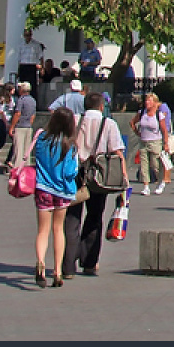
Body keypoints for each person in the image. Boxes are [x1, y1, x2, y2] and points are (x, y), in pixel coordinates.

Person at [64, 92, 125, 279]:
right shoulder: (109, 124)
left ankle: (68, 264)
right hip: (98, 175)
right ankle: (89, 261)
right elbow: (116, 151)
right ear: (101, 106)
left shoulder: (75, 120)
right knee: (95, 216)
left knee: (72, 218)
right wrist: (123, 177)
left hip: (75, 173)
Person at [30, 108, 79, 287]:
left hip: (43, 187)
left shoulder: (41, 138)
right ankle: (57, 271)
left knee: (43, 230)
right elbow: (70, 171)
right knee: (59, 229)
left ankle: (40, 262)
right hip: (63, 191)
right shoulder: (70, 144)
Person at [131, 91, 172, 196]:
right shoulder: (142, 112)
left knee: (155, 164)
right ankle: (146, 186)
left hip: (155, 141)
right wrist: (138, 133)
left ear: (155, 102)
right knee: (144, 165)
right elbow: (132, 123)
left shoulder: (159, 115)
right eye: (146, 100)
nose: (147, 102)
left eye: (149, 100)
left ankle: (161, 182)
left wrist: (165, 143)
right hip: (144, 141)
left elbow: (164, 130)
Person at [17, 30, 44, 96]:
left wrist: (42, 68)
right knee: (22, 85)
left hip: (32, 66)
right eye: (26, 35)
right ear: (24, 36)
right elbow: (19, 59)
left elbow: (41, 57)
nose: (27, 37)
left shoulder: (36, 45)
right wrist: (18, 70)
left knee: (32, 86)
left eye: (29, 35)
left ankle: (32, 100)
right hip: (23, 66)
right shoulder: (21, 45)